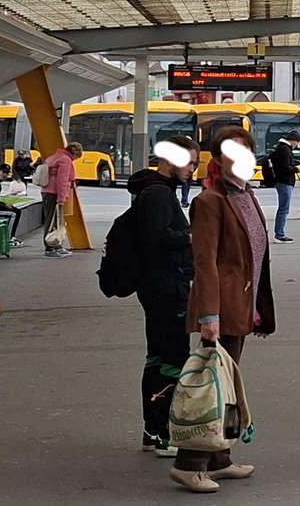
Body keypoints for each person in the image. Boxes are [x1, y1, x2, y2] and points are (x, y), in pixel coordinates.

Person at [171, 126, 275, 494]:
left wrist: (258, 309)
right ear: (218, 160)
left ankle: (220, 458)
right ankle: (189, 464)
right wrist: (209, 317)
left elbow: (254, 256)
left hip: (242, 306)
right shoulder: (210, 201)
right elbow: (206, 263)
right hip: (222, 309)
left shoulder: (247, 195)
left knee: (229, 386)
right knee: (212, 388)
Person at [132, 135, 199, 458]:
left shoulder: (151, 189)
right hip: (167, 286)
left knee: (157, 357)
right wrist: (190, 235)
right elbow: (158, 238)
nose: (193, 171)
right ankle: (161, 432)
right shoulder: (159, 194)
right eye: (190, 163)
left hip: (155, 285)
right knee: (172, 359)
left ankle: (151, 429)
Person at [39, 141, 82, 258]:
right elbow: (61, 181)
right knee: (52, 220)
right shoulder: (65, 160)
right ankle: (50, 247)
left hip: (47, 191)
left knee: (53, 220)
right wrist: (61, 199)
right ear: (74, 153)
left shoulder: (56, 156)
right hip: (54, 193)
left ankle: (56, 245)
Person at [270, 129, 300, 243]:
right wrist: (296, 169)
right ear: (293, 140)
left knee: (283, 209)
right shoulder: (284, 149)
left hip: (284, 182)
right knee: (283, 209)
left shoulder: (282, 148)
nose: (297, 145)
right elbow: (284, 167)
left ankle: (279, 233)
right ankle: (279, 234)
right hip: (284, 182)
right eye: (297, 142)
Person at [0, 163, 25, 248]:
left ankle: (12, 237)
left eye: (7, 173)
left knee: (16, 211)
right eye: (4, 172)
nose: (5, 175)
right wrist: (4, 205)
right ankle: (8, 238)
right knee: (13, 214)